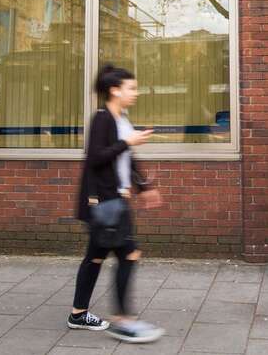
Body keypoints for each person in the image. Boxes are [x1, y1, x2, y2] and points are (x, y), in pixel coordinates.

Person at [69, 64, 165, 343]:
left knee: (95, 257)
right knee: (129, 255)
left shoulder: (121, 117)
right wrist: (128, 141)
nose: (135, 93)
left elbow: (126, 157)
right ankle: (124, 321)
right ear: (115, 90)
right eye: (131, 88)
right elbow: (97, 158)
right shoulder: (102, 118)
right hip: (106, 202)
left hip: (114, 200)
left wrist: (144, 187)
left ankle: (78, 314)